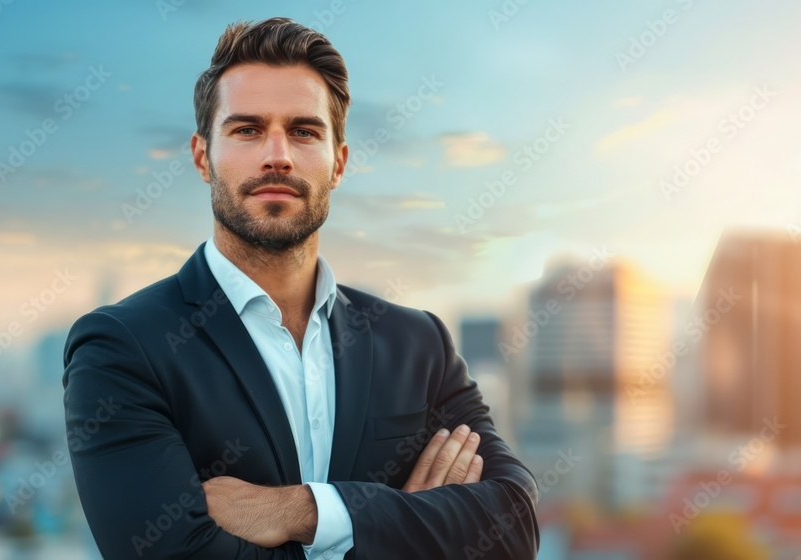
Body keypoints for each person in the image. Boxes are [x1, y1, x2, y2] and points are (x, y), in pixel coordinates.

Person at [62, 16, 539, 560]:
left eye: (304, 131)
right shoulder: (123, 347)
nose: (277, 154)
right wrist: (401, 526)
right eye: (246, 129)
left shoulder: (418, 342)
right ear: (202, 157)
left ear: (337, 163)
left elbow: (512, 527)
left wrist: (305, 511)